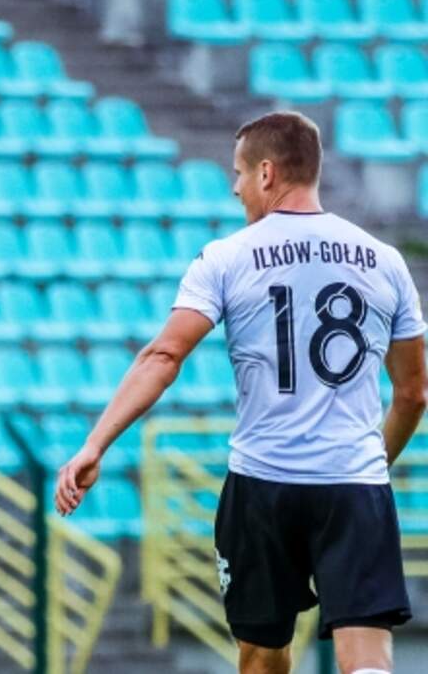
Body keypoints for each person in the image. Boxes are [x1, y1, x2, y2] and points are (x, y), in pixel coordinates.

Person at [55, 112, 428, 674]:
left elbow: (164, 356)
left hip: (263, 483)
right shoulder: (385, 260)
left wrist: (95, 444)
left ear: (267, 173)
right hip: (353, 484)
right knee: (368, 661)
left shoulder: (227, 257)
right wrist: (372, 462)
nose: (235, 187)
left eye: (239, 173)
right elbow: (414, 393)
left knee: (261, 657)